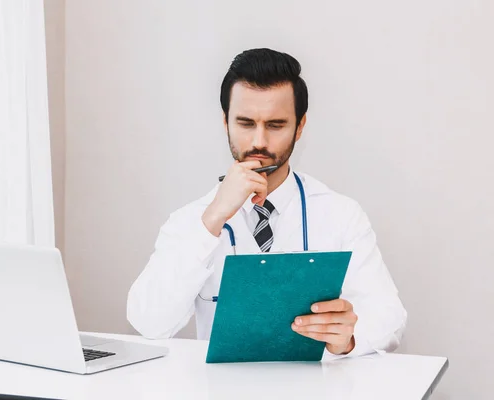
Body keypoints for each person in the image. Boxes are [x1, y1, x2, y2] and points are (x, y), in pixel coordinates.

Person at [127, 48, 407, 358]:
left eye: (275, 125)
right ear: (226, 122)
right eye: (246, 123)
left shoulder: (340, 214)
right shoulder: (192, 219)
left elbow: (390, 319)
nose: (259, 141)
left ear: (300, 127)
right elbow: (148, 322)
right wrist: (213, 220)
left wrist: (349, 339)